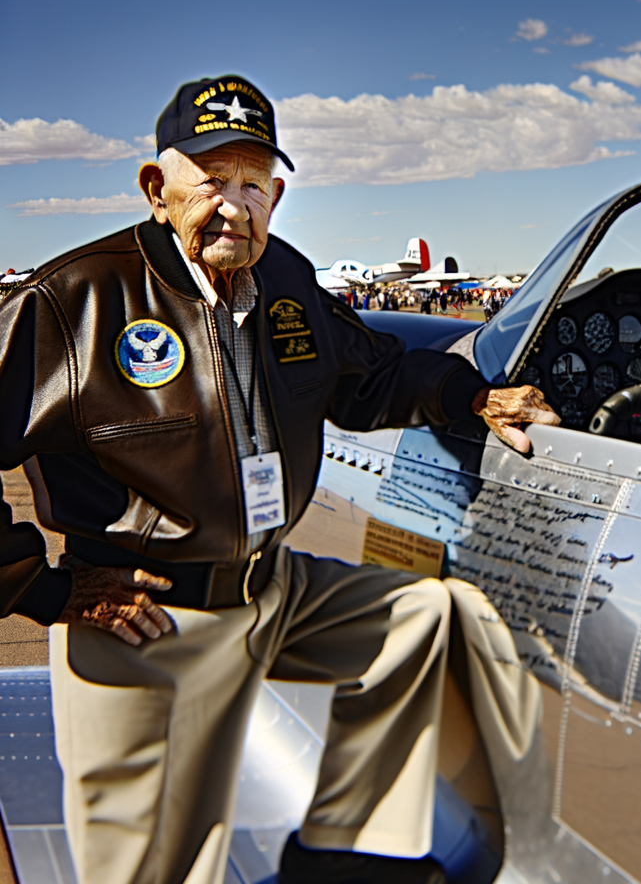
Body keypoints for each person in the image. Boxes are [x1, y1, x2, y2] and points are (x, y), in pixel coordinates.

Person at [0, 75, 560, 884]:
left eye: (253, 185)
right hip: (148, 614)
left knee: (424, 619)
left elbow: (367, 378)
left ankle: (337, 855)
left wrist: (469, 395)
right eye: (212, 181)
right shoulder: (73, 301)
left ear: (279, 193)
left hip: (273, 588)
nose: (235, 206)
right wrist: (40, 589)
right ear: (158, 189)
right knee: (155, 868)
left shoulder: (287, 282)